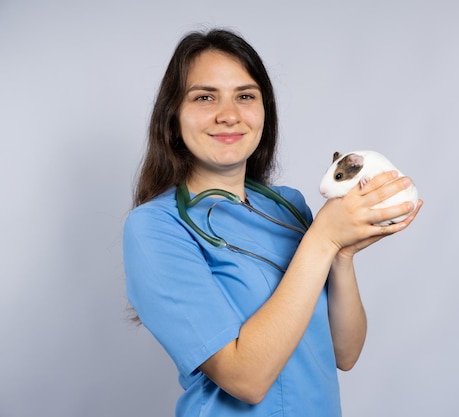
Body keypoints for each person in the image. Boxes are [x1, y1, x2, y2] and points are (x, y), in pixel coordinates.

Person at [123, 28, 422, 417]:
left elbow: (345, 353)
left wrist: (342, 255)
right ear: (173, 116)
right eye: (204, 97)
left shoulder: (290, 207)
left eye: (245, 96)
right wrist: (324, 239)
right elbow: (245, 379)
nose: (228, 115)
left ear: (264, 111)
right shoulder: (155, 228)